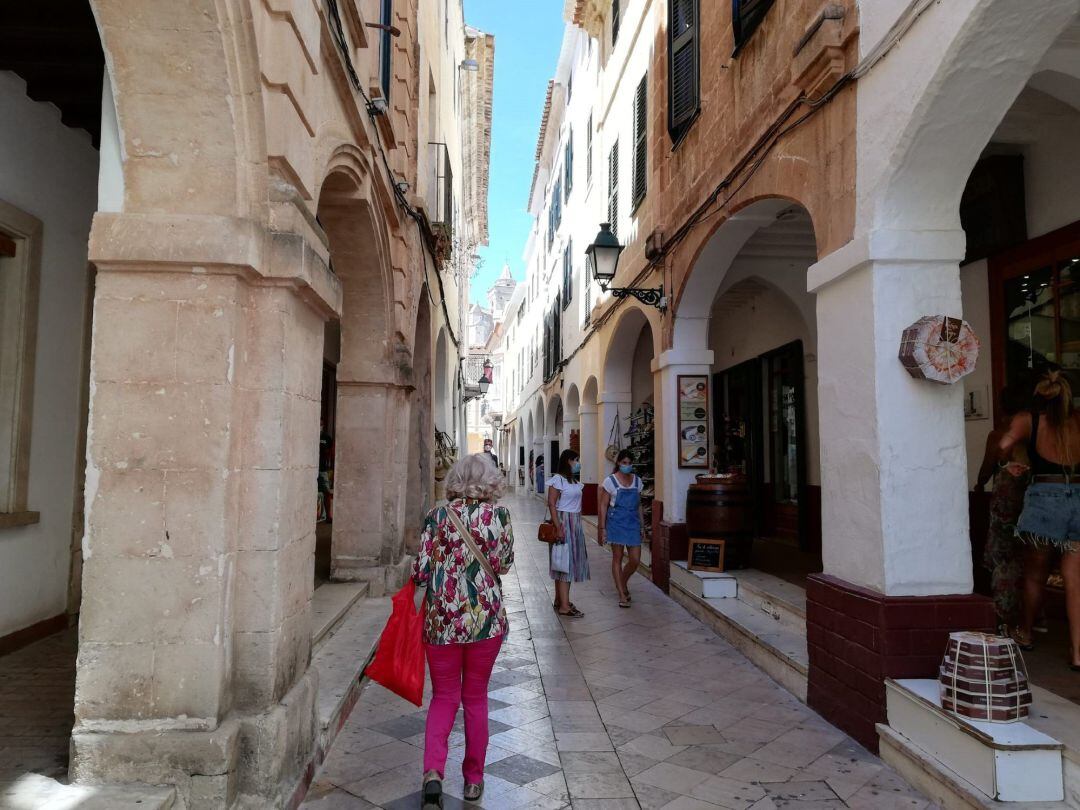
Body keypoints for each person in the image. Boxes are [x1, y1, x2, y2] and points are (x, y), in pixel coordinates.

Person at [413, 454, 515, 807]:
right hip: (485, 622)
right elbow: (502, 564)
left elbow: (421, 571)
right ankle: (473, 780)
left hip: (441, 621)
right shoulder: (499, 517)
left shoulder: (436, 516)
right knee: (475, 698)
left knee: (443, 697)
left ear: (454, 480)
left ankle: (432, 774)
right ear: (490, 481)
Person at [1000, 368, 1080, 670]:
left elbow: (1002, 447)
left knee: (1035, 573)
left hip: (1045, 497)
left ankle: (1025, 632)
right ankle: (1077, 652)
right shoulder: (1077, 421)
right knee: (1076, 580)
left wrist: (1013, 458)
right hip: (1078, 496)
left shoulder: (1027, 420)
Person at [975, 384, 1031, 635]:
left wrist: (979, 485)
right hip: (1029, 497)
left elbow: (987, 467)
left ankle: (1004, 617)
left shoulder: (998, 436)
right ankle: (1032, 616)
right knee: (1030, 558)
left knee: (1003, 557)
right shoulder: (1035, 434)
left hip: (1005, 499)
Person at [598, 450, 645, 609]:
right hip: (616, 521)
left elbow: (639, 505)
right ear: (618, 463)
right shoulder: (610, 481)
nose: (627, 466)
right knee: (617, 557)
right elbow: (603, 505)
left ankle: (622, 581)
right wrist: (602, 527)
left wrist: (642, 525)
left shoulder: (637, 482)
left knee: (635, 560)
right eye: (624, 463)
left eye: (629, 463)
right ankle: (621, 593)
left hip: (633, 522)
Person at [547, 449, 589, 617]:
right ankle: (565, 605)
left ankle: (560, 600)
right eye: (576, 460)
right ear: (568, 461)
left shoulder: (574, 481)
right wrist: (558, 527)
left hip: (575, 524)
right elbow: (551, 503)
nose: (578, 463)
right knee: (565, 564)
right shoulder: (558, 480)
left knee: (562, 563)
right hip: (564, 523)